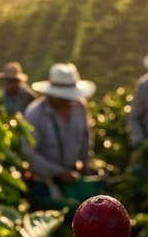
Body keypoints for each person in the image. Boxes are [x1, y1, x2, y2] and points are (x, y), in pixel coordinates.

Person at [22, 62, 96, 206]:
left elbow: (85, 137)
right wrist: (59, 172)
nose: (68, 102)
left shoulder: (79, 107)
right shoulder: (35, 114)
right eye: (63, 98)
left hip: (73, 174)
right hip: (45, 179)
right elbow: (29, 153)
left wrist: (86, 163)